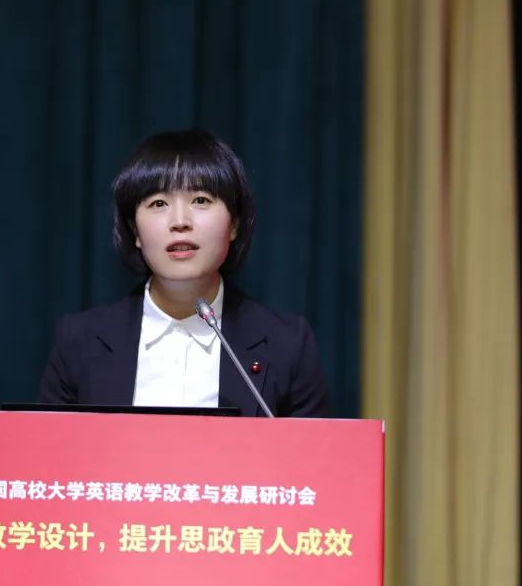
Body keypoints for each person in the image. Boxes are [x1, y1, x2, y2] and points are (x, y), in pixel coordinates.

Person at [37, 128, 327, 417]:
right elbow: (49, 446)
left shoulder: (287, 345)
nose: (180, 221)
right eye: (158, 204)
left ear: (234, 224)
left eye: (200, 200)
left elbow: (313, 447)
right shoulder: (80, 342)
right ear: (135, 231)